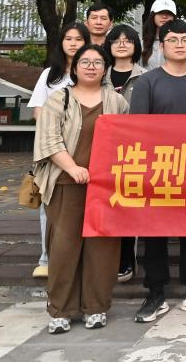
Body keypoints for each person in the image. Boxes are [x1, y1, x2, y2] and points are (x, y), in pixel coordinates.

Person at [33, 44, 129, 333]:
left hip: (105, 186)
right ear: (74, 68)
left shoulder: (117, 101)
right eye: (85, 62)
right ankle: (61, 309)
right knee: (64, 246)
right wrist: (72, 167)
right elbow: (49, 140)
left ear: (105, 68)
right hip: (66, 183)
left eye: (97, 62)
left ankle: (96, 307)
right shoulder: (58, 99)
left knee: (103, 248)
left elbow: (127, 141)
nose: (91, 67)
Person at [130, 20, 186, 323]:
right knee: (155, 234)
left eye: (185, 39)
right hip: (158, 169)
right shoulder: (147, 82)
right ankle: (155, 293)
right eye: (173, 39)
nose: (180, 44)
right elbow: (137, 129)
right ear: (162, 45)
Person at [28, 21, 89, 279]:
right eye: (68, 39)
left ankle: (80, 258)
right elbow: (38, 112)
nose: (73, 44)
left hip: (85, 147)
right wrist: (58, 133)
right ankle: (46, 257)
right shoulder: (49, 75)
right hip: (53, 148)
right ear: (61, 43)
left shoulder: (92, 70)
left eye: (79, 39)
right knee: (49, 203)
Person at [102, 23, 146, 283]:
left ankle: (125, 260)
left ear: (135, 46)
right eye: (116, 40)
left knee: (127, 206)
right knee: (104, 206)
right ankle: (101, 261)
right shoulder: (98, 74)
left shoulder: (147, 77)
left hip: (133, 152)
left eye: (128, 40)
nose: (121, 44)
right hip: (102, 150)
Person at [141, 0, 177, 70]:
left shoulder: (181, 44)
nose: (164, 16)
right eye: (160, 13)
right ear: (153, 15)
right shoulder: (141, 44)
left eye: (169, 13)